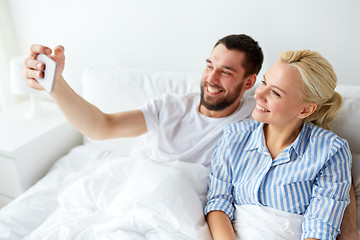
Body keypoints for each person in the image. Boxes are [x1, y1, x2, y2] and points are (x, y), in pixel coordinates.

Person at [23, 35, 358, 239]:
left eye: (226, 72)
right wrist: (55, 84)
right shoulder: (180, 110)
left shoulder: (264, 122)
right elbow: (101, 126)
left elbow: (327, 204)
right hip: (149, 197)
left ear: (247, 82)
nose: (211, 78)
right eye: (209, 65)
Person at [204, 50, 353, 239]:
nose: (259, 94)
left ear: (306, 109)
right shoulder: (234, 137)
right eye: (265, 82)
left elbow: (320, 227)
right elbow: (218, 203)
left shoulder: (331, 151)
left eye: (275, 93)